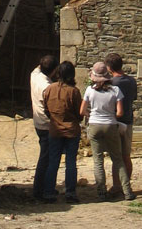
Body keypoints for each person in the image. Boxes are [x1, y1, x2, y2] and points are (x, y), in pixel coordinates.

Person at [80, 61, 135, 201]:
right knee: (117, 159)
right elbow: (120, 112)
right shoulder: (115, 90)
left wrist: (91, 115)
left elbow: (82, 111)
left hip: (94, 124)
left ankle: (101, 192)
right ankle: (127, 191)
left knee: (98, 160)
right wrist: (109, 115)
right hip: (110, 124)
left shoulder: (89, 90)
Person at [42, 61, 83, 204]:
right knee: (70, 162)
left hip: (55, 130)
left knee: (53, 162)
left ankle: (48, 192)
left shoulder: (49, 89)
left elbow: (46, 110)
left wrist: (55, 119)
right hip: (71, 130)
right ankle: (70, 192)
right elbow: (80, 113)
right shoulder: (74, 91)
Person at [105, 52, 137, 196]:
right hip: (128, 121)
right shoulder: (131, 81)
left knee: (116, 157)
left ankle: (117, 186)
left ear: (109, 67)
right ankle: (126, 184)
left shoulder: (112, 84)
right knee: (126, 155)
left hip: (115, 121)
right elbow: (133, 98)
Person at [30, 54, 58, 199]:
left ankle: (44, 187)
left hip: (38, 122)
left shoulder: (34, 75)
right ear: (53, 71)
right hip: (46, 124)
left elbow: (38, 69)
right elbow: (51, 108)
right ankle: (40, 190)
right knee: (46, 158)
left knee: (46, 156)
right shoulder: (48, 87)